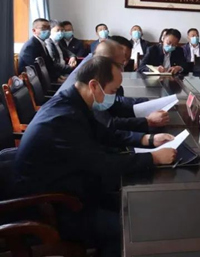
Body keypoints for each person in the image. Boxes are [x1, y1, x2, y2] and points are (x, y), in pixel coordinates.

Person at [14, 56, 177, 256]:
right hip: (53, 208)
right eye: (113, 91)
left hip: (72, 188)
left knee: (138, 208)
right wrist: (154, 158)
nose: (114, 96)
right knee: (130, 230)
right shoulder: (63, 119)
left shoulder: (73, 101)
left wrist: (147, 140)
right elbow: (102, 163)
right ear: (93, 85)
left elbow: (104, 133)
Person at [57, 39, 170, 131]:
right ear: (105, 60)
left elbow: (115, 103)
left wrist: (144, 103)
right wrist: (147, 121)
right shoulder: (90, 80)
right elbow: (107, 124)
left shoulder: (94, 67)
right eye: (120, 64)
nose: (123, 68)